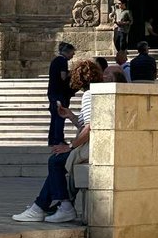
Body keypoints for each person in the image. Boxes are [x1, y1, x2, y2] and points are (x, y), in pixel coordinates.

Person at [13, 57, 103, 223]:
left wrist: (70, 147)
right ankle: (40, 207)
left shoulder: (89, 96)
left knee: (55, 161)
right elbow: (86, 125)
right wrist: (70, 115)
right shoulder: (97, 93)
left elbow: (90, 128)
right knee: (56, 162)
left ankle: (63, 206)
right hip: (95, 146)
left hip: (91, 148)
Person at [46, 41, 74, 147]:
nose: (73, 55)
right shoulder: (62, 61)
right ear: (68, 52)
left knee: (55, 117)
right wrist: (71, 73)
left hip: (52, 92)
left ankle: (52, 140)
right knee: (60, 116)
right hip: (58, 93)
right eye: (72, 53)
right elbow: (63, 76)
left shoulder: (55, 60)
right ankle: (58, 140)